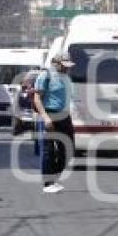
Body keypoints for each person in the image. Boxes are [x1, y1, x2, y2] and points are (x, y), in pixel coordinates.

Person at [33, 53, 75, 194]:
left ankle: (54, 176)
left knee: (68, 149)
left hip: (64, 117)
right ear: (56, 63)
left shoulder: (67, 78)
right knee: (48, 151)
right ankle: (48, 183)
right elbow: (37, 99)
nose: (66, 69)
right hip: (49, 114)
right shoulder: (46, 76)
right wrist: (45, 118)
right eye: (64, 66)